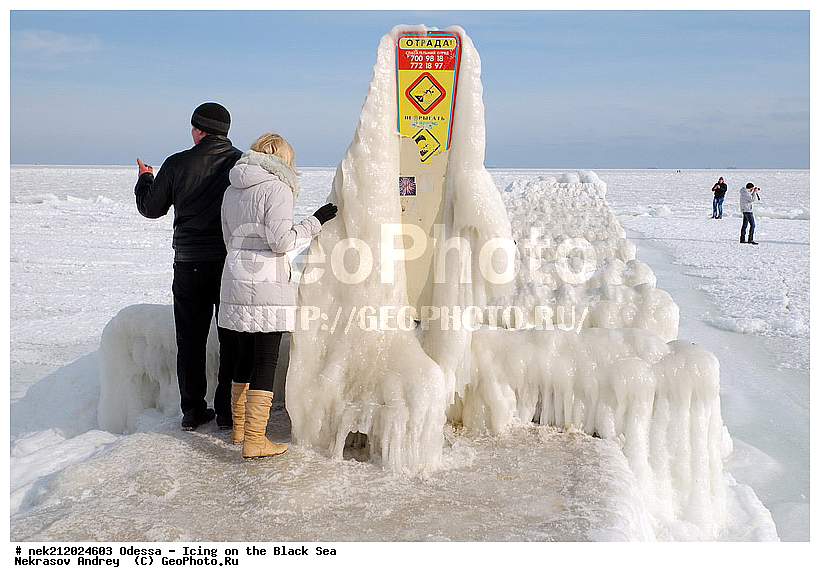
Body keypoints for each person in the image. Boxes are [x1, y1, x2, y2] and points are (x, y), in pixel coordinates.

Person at [218, 133, 337, 458]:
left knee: (243, 354)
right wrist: (315, 222)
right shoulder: (278, 188)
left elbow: (229, 238)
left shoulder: (231, 189)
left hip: (235, 276)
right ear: (284, 160)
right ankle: (256, 440)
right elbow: (282, 241)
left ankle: (240, 431)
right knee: (265, 358)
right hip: (266, 281)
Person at [135, 102, 242, 431]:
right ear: (225, 131)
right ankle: (226, 411)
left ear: (198, 130)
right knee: (232, 339)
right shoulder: (241, 163)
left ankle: (193, 411)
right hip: (229, 264)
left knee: (190, 340)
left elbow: (151, 209)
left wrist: (145, 179)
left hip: (190, 264)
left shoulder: (177, 163)